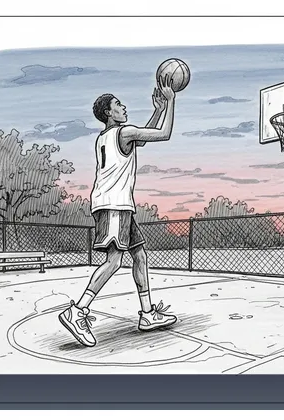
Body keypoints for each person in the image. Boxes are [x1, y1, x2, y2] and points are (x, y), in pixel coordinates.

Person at [58, 76, 178, 347]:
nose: (124, 107)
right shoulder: (123, 132)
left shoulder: (107, 137)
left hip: (118, 204)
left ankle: (147, 314)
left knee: (140, 256)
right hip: (113, 205)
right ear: (108, 113)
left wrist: (157, 111)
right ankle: (78, 310)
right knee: (114, 261)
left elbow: (141, 139)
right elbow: (163, 134)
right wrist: (171, 102)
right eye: (118, 105)